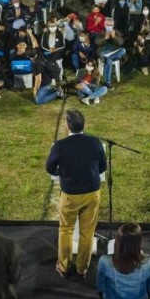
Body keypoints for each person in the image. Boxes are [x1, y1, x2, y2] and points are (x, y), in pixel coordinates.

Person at [45, 109, 106, 278]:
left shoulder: (60, 146)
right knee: (88, 232)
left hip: (70, 194)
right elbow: (103, 166)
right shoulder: (95, 142)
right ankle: (82, 268)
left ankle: (64, 266)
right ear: (84, 125)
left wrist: (61, 172)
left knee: (66, 230)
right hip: (92, 193)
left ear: (67, 125)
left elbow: (50, 167)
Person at [97, 223, 150, 299]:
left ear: (117, 242)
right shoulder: (148, 262)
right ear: (139, 243)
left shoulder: (104, 261)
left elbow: (101, 288)